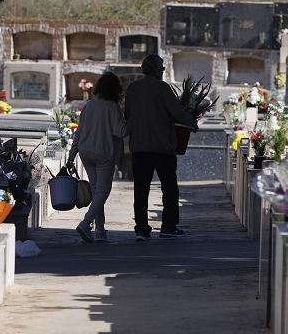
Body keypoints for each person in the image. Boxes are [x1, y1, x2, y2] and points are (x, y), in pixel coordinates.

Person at [123, 54, 197, 240]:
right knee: (169, 188)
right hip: (162, 147)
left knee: (141, 189)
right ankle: (168, 227)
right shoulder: (162, 88)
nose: (163, 70)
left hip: (139, 147)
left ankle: (141, 228)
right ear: (156, 69)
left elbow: (128, 115)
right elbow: (177, 111)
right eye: (162, 67)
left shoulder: (133, 89)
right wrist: (192, 122)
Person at [66, 71, 128, 243]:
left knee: (96, 191)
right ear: (116, 90)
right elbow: (120, 132)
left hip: (86, 151)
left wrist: (72, 156)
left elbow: (78, 132)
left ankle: (100, 230)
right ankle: (86, 223)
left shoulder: (89, 104)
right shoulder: (112, 107)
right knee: (103, 191)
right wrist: (132, 121)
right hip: (104, 153)